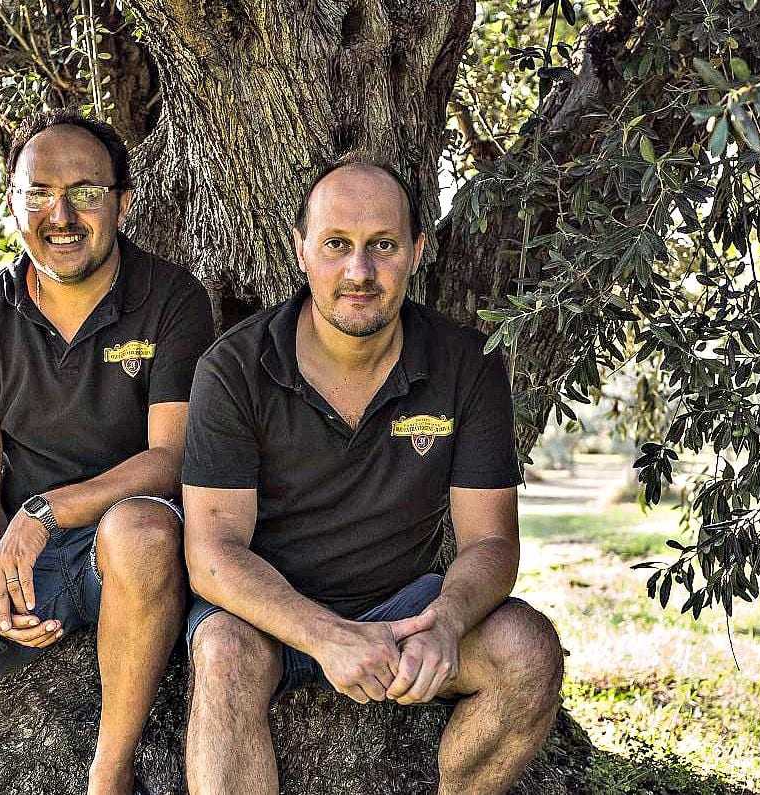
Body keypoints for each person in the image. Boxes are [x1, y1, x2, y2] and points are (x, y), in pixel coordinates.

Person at [179, 159, 564, 794]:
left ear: (417, 250)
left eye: (382, 246)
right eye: (337, 245)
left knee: (527, 648)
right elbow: (212, 553)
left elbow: (492, 541)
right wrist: (326, 636)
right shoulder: (235, 368)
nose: (359, 272)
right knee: (222, 654)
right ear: (301, 249)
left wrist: (446, 622)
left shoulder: (466, 365)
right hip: (267, 614)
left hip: (405, 608)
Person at [0, 110, 214, 795]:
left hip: (131, 548)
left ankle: (109, 774)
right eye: (40, 193)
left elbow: (171, 459)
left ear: (123, 202)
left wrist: (46, 511)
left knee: (139, 530)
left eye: (85, 193)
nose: (62, 215)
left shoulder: (173, 299)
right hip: (24, 554)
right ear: (13, 202)